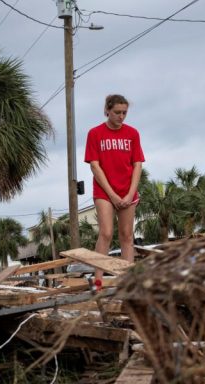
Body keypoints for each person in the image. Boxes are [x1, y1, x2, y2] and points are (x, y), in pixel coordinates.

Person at [84, 94, 145, 291]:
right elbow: (95, 166)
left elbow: (137, 165)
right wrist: (112, 195)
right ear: (107, 110)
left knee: (127, 235)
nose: (121, 116)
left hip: (127, 190)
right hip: (104, 191)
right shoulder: (95, 134)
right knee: (106, 232)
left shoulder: (133, 133)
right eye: (117, 112)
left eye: (124, 113)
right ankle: (98, 281)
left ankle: (127, 281)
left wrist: (129, 194)